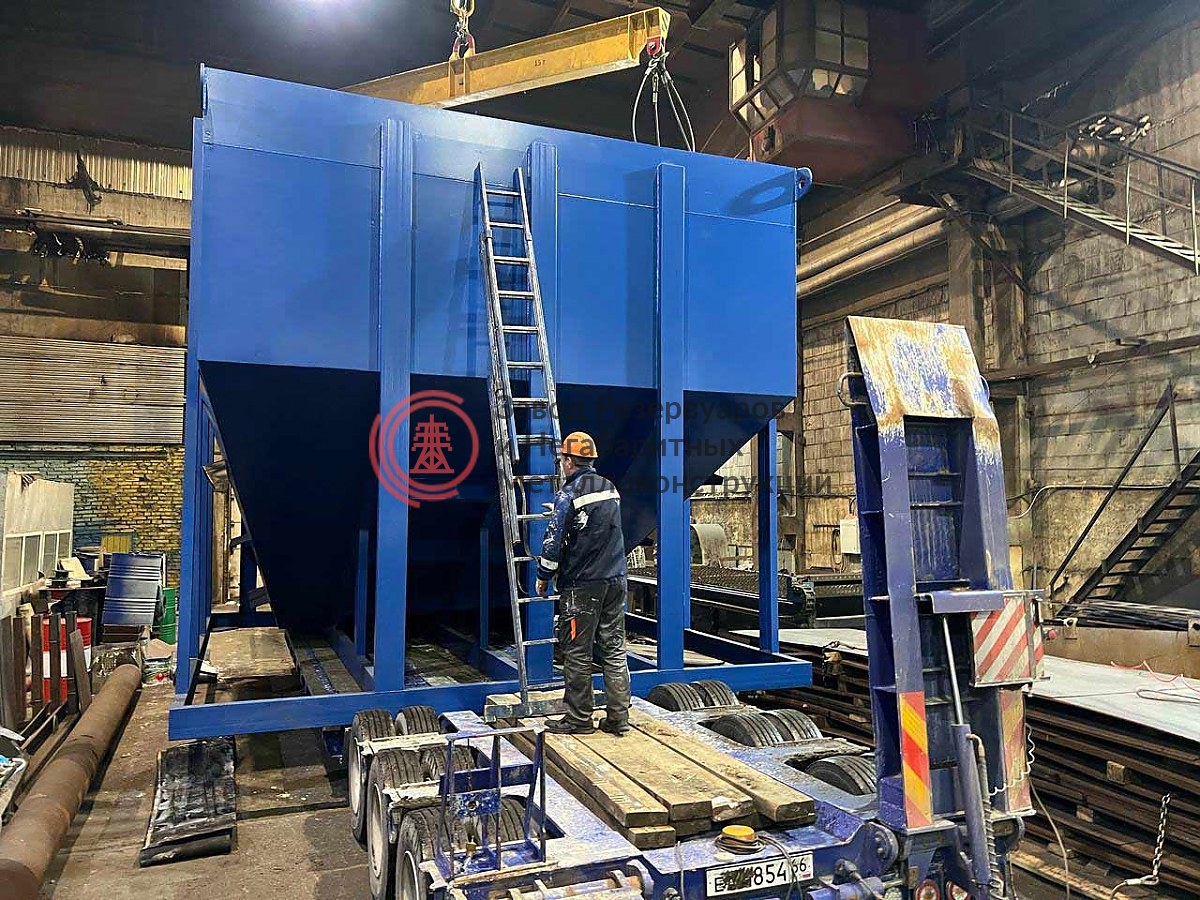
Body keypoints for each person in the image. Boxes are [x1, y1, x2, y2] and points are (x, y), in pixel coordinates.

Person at [535, 431, 630, 735]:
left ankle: (578, 719)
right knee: (614, 650)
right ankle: (618, 718)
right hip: (615, 580)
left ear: (569, 461)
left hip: (582, 586)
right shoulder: (609, 488)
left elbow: (552, 544)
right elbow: (597, 523)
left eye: (563, 459)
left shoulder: (569, 494)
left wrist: (543, 576)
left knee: (577, 652)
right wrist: (564, 515)